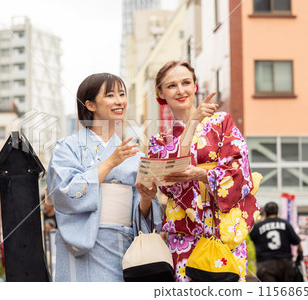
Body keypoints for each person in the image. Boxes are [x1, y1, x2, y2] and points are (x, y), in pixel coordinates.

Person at [147, 61, 261, 282]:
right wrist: (192, 124)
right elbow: (167, 180)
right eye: (171, 86)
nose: (181, 90)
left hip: (224, 227)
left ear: (195, 86)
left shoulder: (222, 122)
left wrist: (202, 175)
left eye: (186, 82)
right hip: (185, 232)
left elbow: (240, 171)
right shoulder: (158, 141)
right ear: (160, 93)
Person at [47, 73, 162, 281]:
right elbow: (64, 193)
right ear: (90, 105)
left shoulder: (136, 154)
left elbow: (144, 214)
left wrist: (146, 199)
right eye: (110, 95)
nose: (119, 101)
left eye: (122, 94)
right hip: (85, 245)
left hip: (123, 244)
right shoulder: (67, 147)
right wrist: (110, 162)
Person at [249, 202, 302, 282]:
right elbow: (297, 241)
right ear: (277, 212)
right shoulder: (285, 224)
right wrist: (300, 253)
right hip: (285, 263)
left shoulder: (258, 226)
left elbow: (251, 238)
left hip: (266, 264)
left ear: (265, 213)